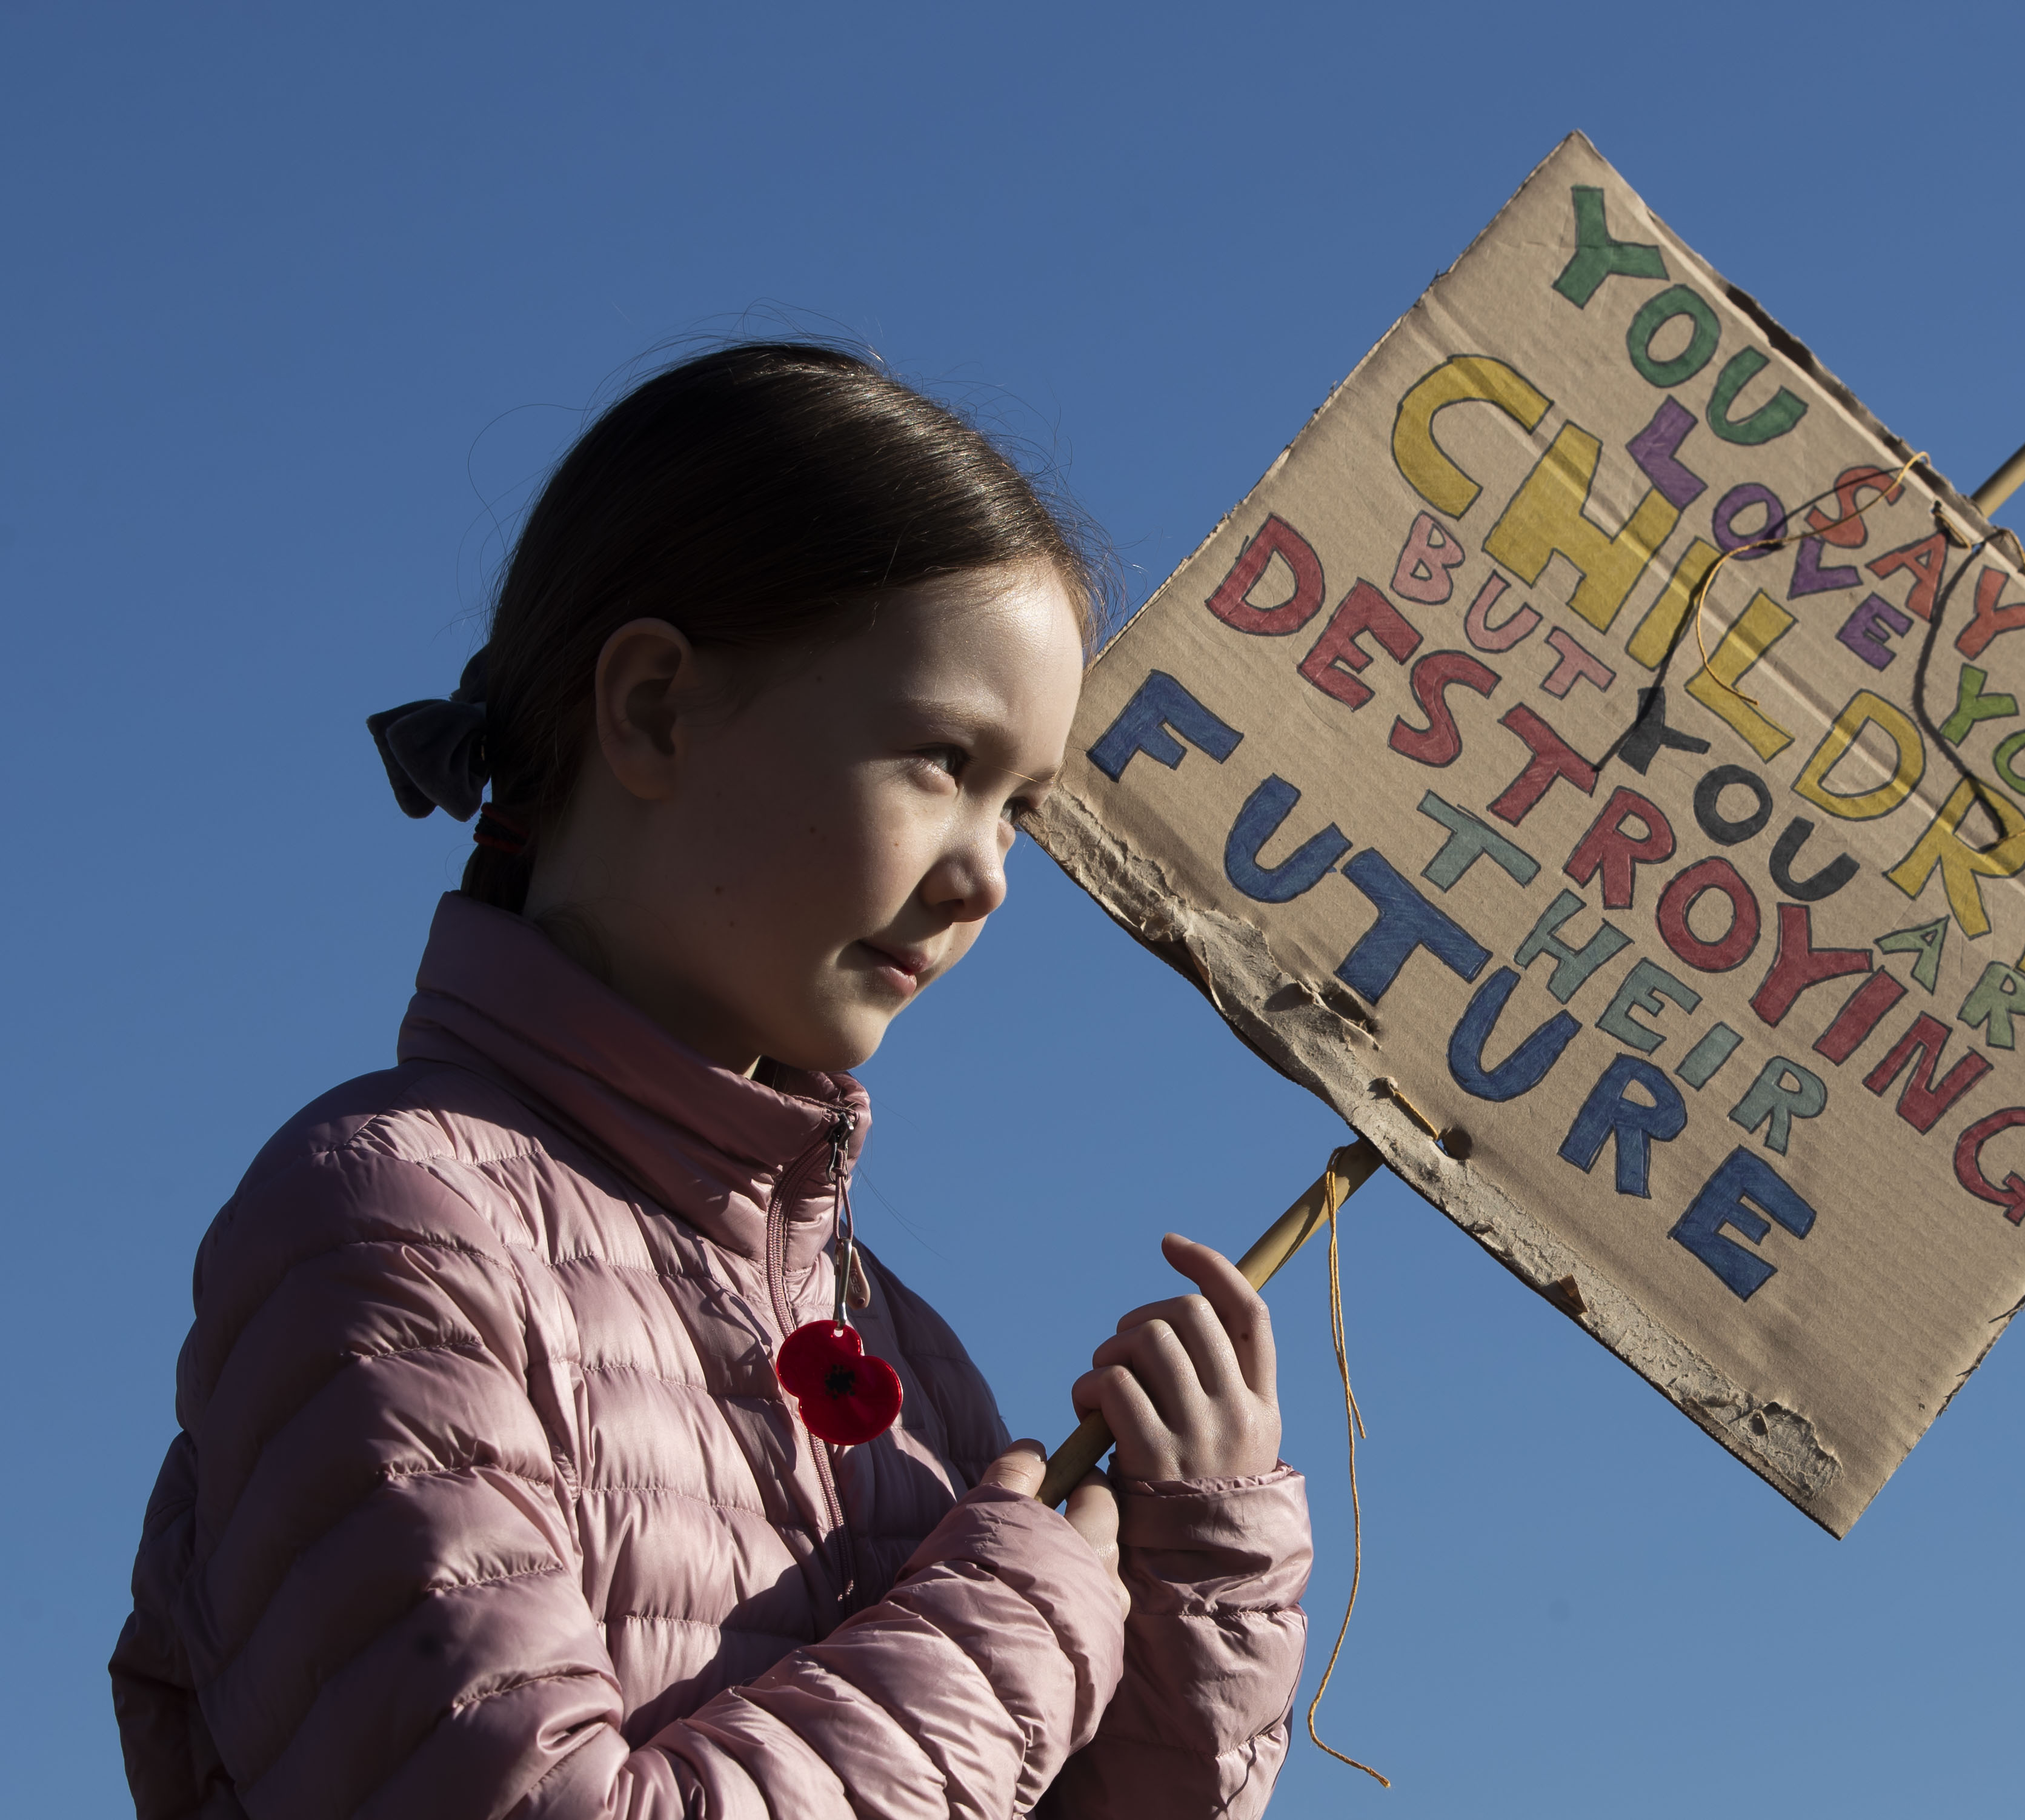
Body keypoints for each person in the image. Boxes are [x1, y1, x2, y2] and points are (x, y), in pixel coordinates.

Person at [110, 343, 1312, 1819]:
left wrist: (1197, 1578)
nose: (986, 876)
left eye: (1026, 809)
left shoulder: (905, 1361)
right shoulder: (389, 1225)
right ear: (656, 710)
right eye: (940, 758)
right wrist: (1018, 1622)